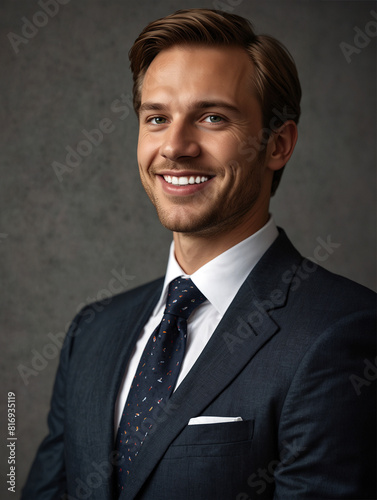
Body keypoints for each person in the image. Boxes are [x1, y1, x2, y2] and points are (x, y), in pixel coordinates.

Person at [22, 8, 376, 500]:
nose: (175, 146)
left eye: (212, 117)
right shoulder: (93, 332)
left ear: (278, 143)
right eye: (157, 118)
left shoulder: (345, 331)